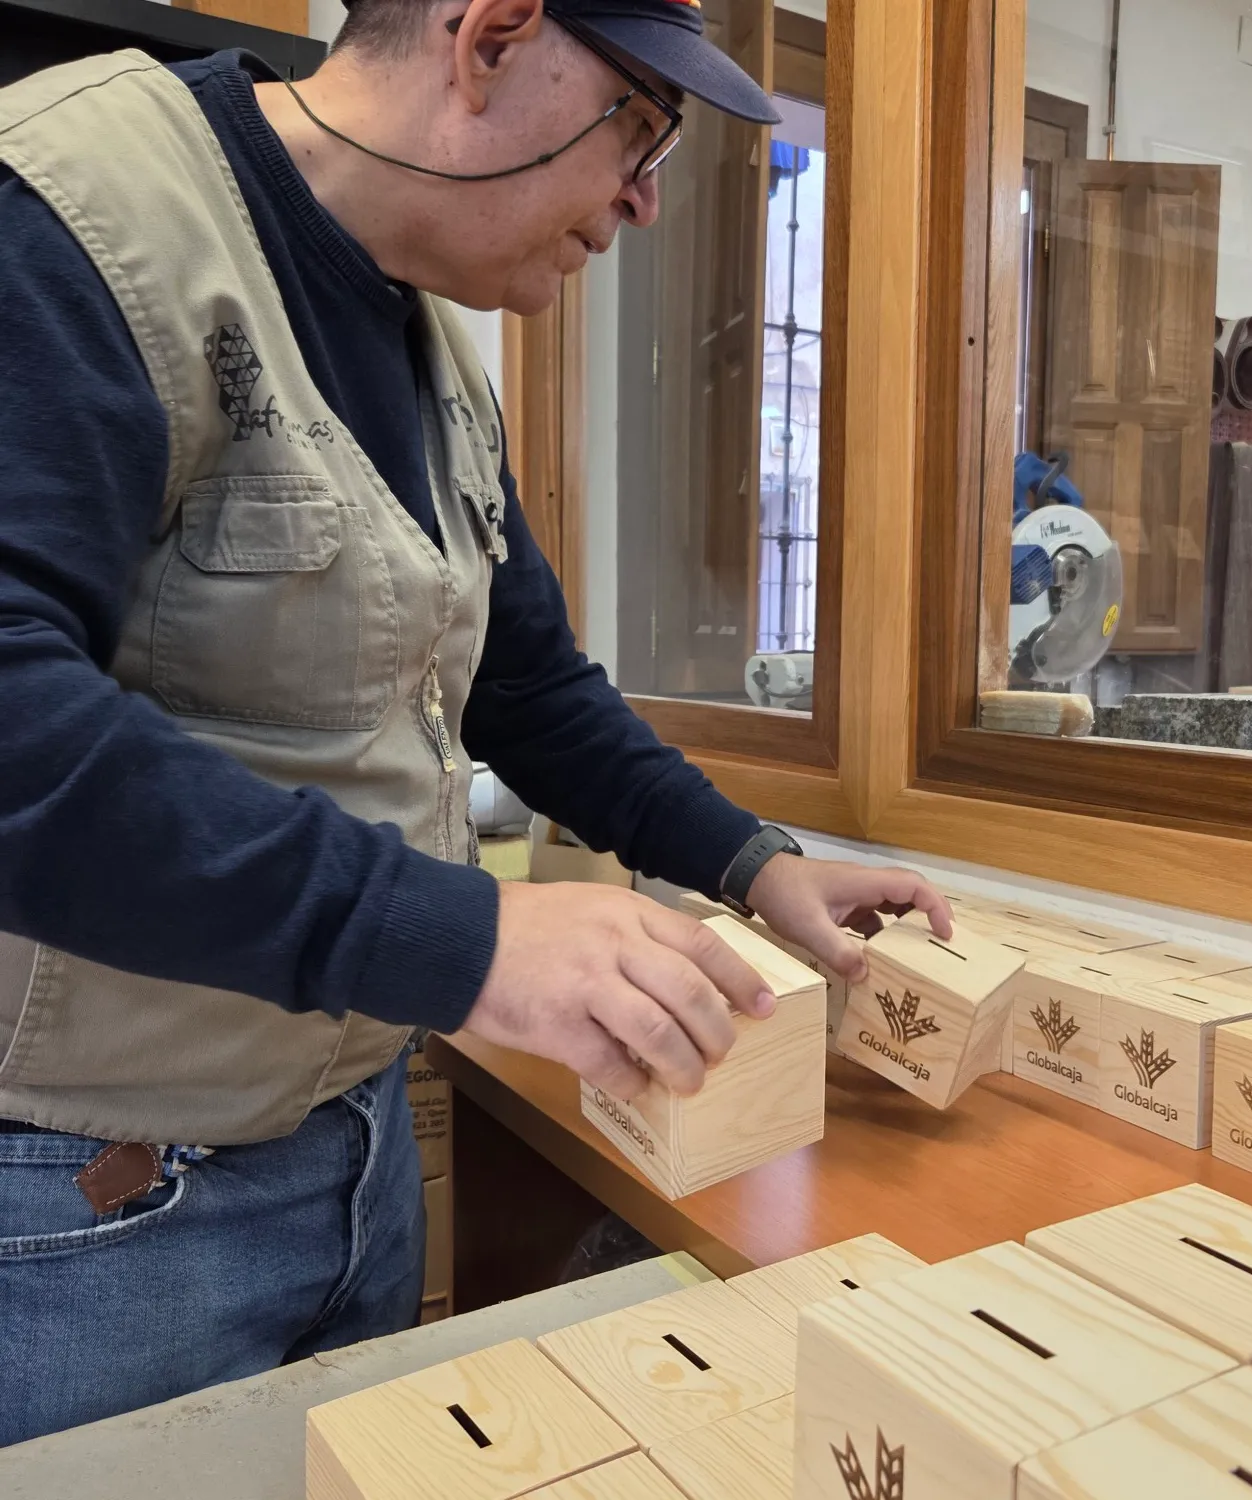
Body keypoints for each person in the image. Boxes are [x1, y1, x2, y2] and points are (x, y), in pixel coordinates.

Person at [0, 0, 950, 1446]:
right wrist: (472, 940)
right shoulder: (78, 218)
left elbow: (530, 685)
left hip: (354, 1143)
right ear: (491, 42)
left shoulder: (433, 344)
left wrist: (756, 862)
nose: (642, 199)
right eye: (640, 130)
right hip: (90, 1206)